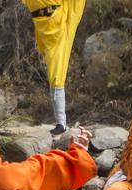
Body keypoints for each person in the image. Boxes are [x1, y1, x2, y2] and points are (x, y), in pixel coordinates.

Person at [22, 0, 85, 134]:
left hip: (59, 27)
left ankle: (61, 123)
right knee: (53, 76)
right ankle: (60, 122)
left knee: (56, 76)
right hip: (43, 27)